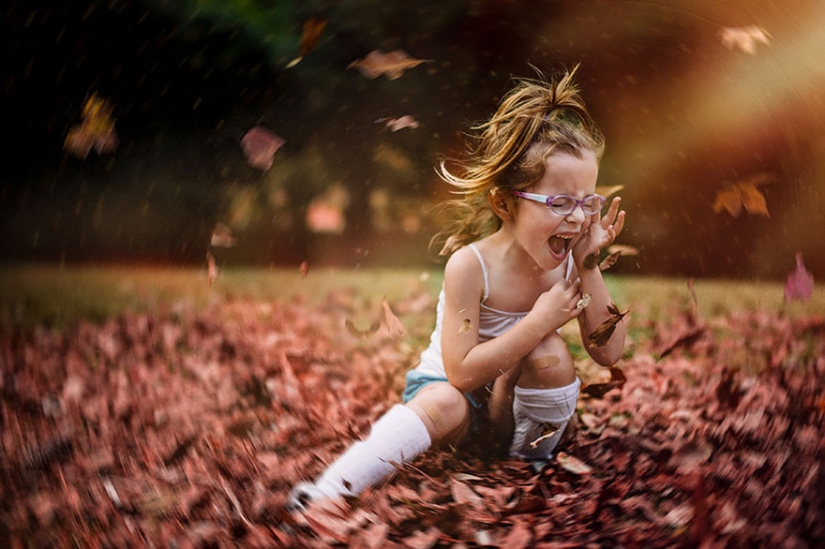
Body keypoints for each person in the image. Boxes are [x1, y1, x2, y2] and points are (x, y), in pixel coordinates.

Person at [290, 66, 626, 507]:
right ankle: (331, 490)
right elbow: (461, 373)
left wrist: (589, 265)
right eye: (560, 203)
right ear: (505, 203)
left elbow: (610, 352)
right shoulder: (471, 266)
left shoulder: (570, 264)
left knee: (551, 358)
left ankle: (527, 471)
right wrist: (540, 321)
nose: (579, 218)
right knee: (447, 400)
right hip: (454, 407)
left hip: (516, 413)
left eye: (588, 202)